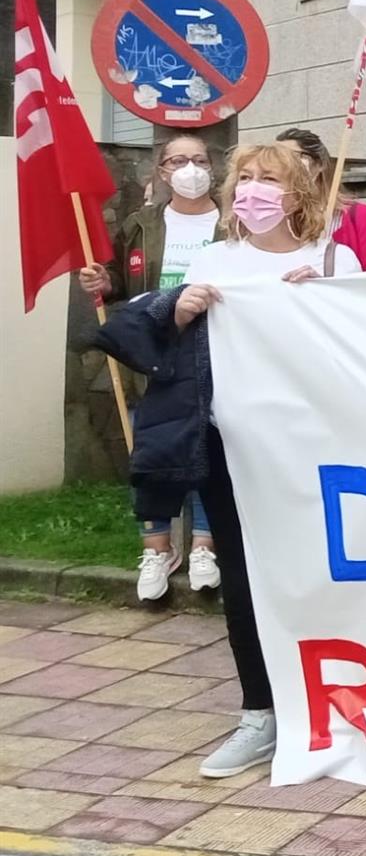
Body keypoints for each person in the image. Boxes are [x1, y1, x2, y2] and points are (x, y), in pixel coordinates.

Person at [96, 141, 362, 779]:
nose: (253, 190)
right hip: (227, 449)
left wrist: (334, 297)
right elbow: (151, 335)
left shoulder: (334, 259)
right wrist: (178, 309)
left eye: (270, 179)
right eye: (245, 178)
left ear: (299, 193)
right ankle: (260, 712)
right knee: (244, 579)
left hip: (313, 452)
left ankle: (343, 702)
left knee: (326, 574)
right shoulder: (215, 260)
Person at [81, 133, 224, 601]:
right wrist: (106, 280)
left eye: (199, 159)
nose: (190, 168)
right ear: (161, 171)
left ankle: (206, 543)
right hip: (158, 351)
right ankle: (157, 548)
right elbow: (121, 282)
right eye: (178, 160)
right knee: (154, 445)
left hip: (215, 347)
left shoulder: (234, 223)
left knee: (207, 443)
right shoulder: (140, 225)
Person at [277, 127, 366, 271]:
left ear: (319, 165)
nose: (279, 165)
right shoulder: (273, 218)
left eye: (289, 156)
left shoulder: (360, 216)